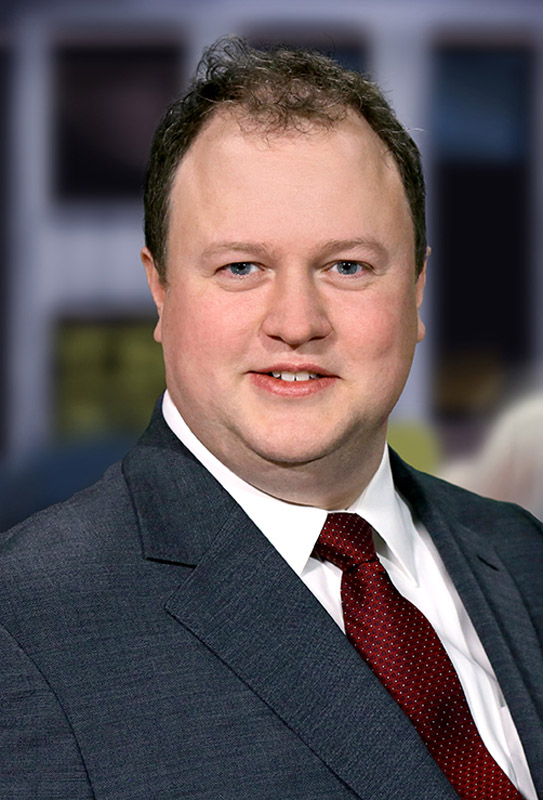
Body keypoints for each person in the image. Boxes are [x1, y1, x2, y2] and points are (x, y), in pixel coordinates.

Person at [1, 36, 542, 800]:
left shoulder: (519, 554)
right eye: (241, 268)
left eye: (347, 266)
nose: (296, 321)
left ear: (416, 288)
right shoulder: (23, 625)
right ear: (159, 292)